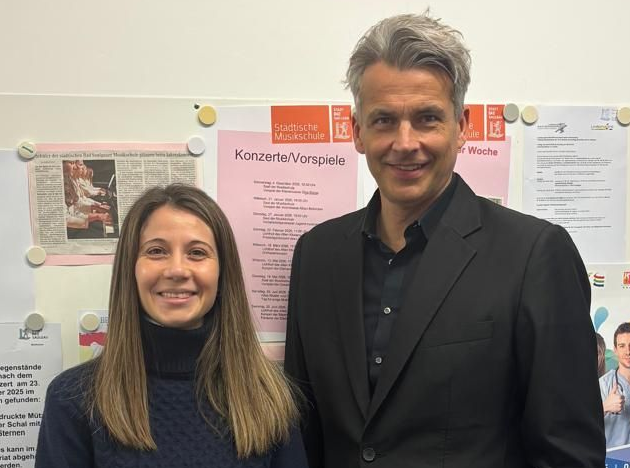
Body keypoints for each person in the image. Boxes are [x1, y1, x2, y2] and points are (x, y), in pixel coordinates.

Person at [284, 12, 605, 467]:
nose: (405, 142)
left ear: (462, 126)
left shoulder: (534, 256)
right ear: (356, 131)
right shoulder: (316, 254)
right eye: (383, 120)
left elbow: (568, 455)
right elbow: (303, 438)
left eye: (427, 118)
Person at [37, 184, 308, 468]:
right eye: (156, 251)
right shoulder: (74, 400)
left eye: (197, 253)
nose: (177, 270)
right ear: (130, 269)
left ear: (222, 272)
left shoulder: (267, 394)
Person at [600, 322, 630, 447]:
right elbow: (583, 425)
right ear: (615, 350)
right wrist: (604, 407)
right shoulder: (603, 384)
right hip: (615, 456)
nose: (628, 351)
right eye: (622, 346)